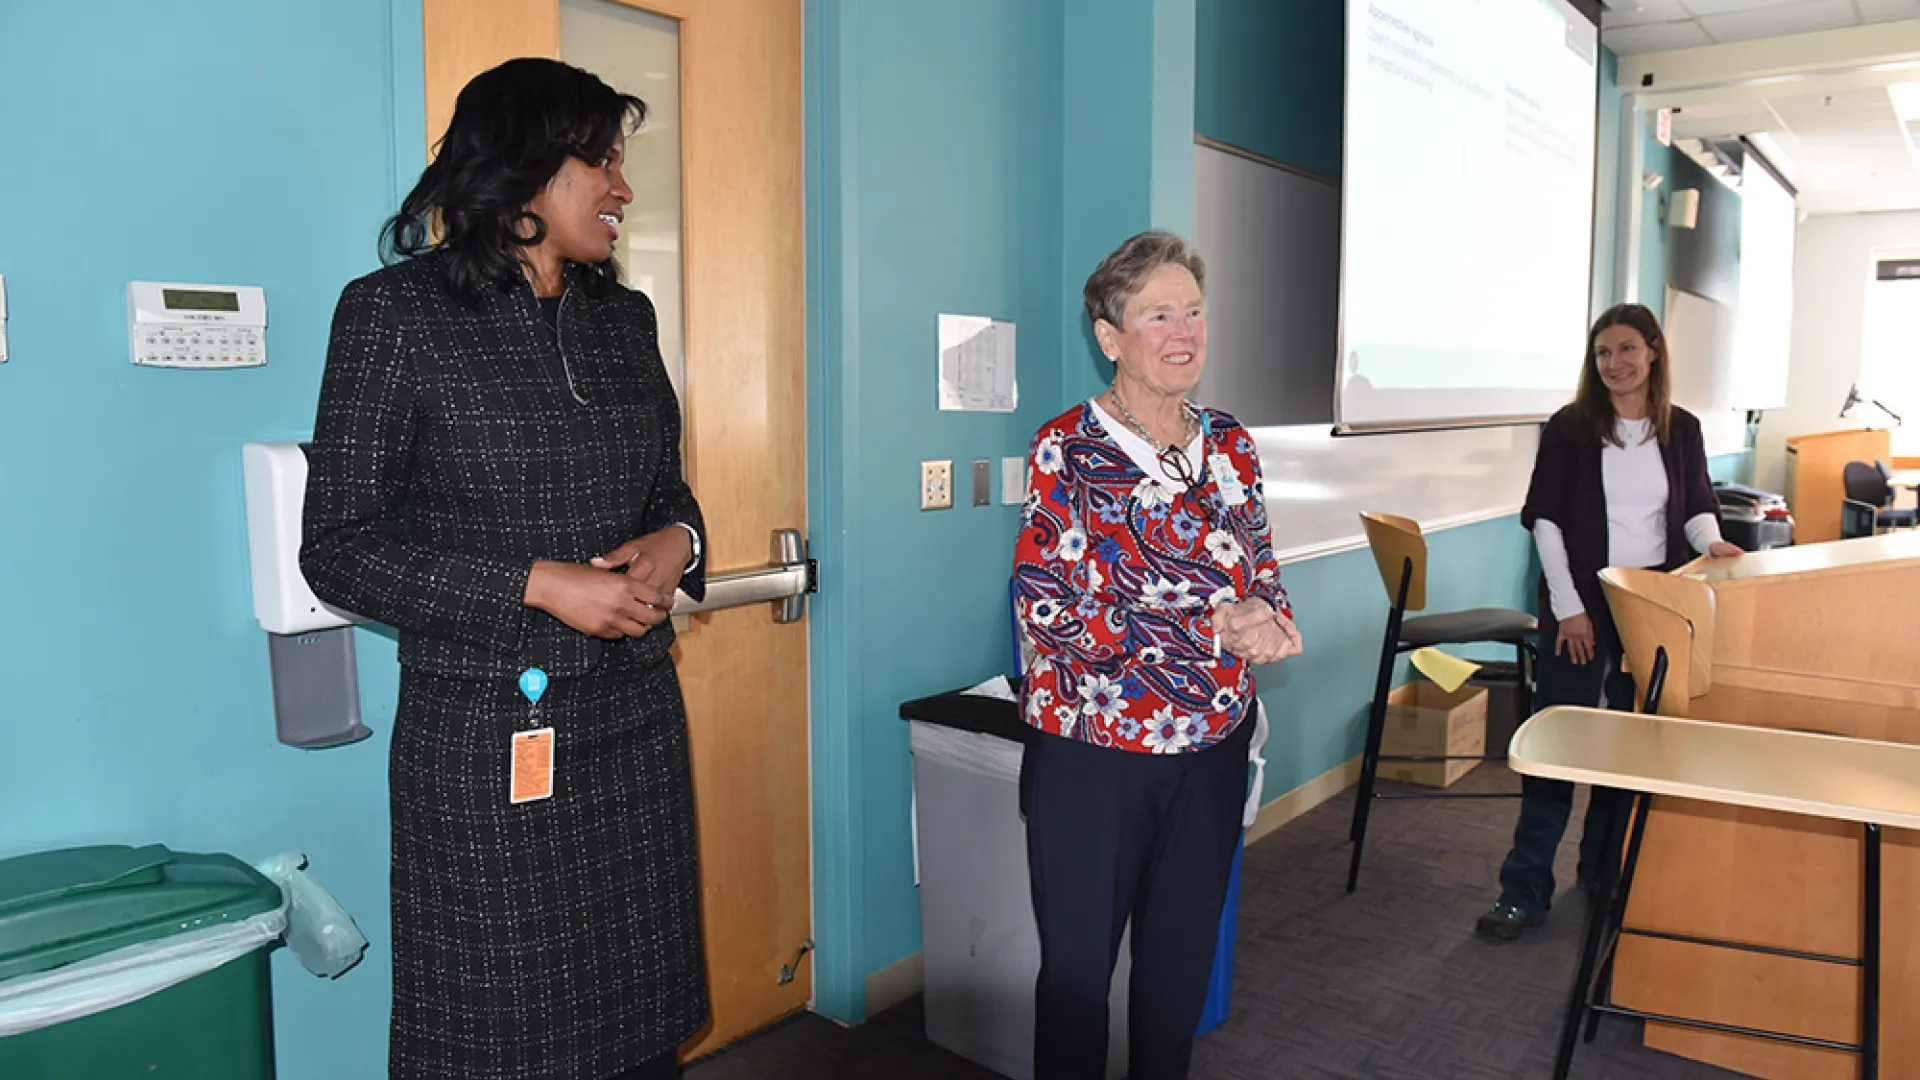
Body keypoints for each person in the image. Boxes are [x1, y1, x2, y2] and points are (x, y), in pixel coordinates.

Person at [300, 58, 708, 1080]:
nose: (622, 188)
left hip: (635, 726)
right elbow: (338, 547)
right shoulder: (394, 317)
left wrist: (681, 545)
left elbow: (669, 494)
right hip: (487, 743)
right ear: (524, 166)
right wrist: (538, 582)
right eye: (601, 161)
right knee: (499, 1038)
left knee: (637, 1030)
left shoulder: (627, 321)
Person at [1012, 229, 1305, 1079]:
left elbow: (1259, 566)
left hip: (1210, 752)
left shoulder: (1233, 445)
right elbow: (1051, 612)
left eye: (1195, 312)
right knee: (1075, 984)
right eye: (1157, 315)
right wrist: (1209, 627)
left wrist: (1272, 622)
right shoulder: (1066, 449)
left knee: (1177, 979)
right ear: (1110, 337)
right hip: (1094, 761)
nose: (1184, 331)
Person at [1475, 302, 1741, 942]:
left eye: (1626, 350)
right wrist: (1568, 606)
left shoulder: (1682, 429)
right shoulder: (1570, 428)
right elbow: (1546, 519)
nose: (1614, 364)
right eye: (1603, 354)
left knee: (1632, 746)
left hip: (1651, 603)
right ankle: (1524, 888)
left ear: (1652, 351)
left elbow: (1695, 507)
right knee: (1558, 746)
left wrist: (1714, 544)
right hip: (1581, 604)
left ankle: (1603, 871)